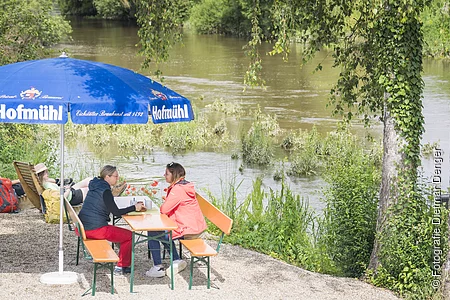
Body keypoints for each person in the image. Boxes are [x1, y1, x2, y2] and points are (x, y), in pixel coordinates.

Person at [78, 165, 146, 275]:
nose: (117, 178)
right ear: (107, 176)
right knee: (129, 236)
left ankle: (123, 255)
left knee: (120, 234)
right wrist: (135, 207)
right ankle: (121, 267)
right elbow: (116, 212)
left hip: (83, 226)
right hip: (95, 229)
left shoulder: (95, 185)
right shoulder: (105, 191)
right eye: (116, 176)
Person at [146, 162, 207, 278]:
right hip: (195, 227)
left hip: (188, 230)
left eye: (167, 173)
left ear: (174, 175)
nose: (164, 175)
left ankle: (158, 267)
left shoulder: (178, 189)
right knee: (162, 231)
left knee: (153, 231)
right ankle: (176, 259)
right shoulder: (184, 186)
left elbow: (164, 209)